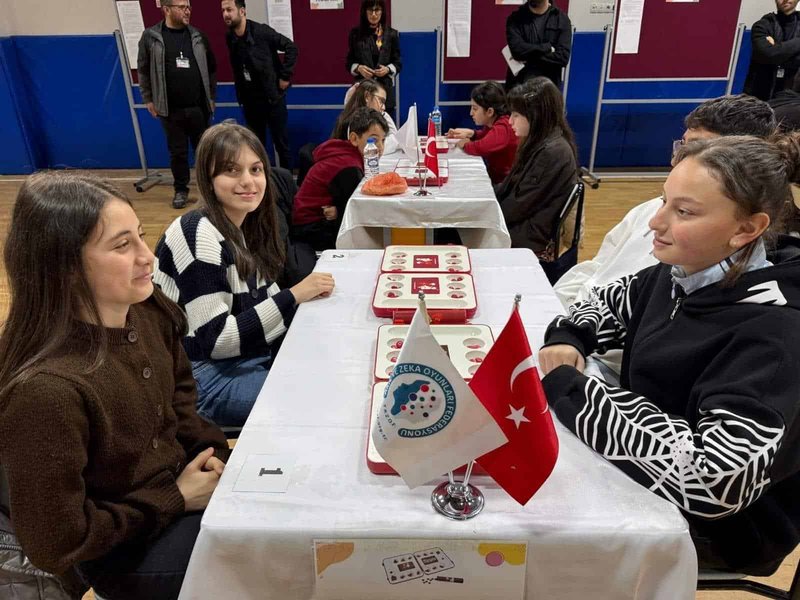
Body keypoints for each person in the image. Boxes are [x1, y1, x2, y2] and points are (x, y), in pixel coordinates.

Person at [539, 133, 800, 576]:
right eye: (664, 201)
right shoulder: (687, 268)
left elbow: (715, 481)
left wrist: (576, 394)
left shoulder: (775, 335)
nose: (655, 223)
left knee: (537, 533)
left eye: (684, 212)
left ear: (746, 229)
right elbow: (608, 302)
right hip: (654, 471)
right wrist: (570, 335)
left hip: (723, 529)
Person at [0, 172, 230, 600]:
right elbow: (56, 543)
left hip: (175, 494)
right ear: (66, 267)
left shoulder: (148, 310)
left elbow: (182, 408)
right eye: (123, 245)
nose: (148, 257)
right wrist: (174, 498)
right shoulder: (46, 392)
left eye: (141, 236)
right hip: (120, 551)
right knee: (263, 560)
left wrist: (218, 460)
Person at [553, 94, 779, 377]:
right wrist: (562, 323)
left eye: (699, 150)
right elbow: (599, 275)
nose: (679, 161)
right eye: (683, 146)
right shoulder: (664, 271)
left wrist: (571, 380)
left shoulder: (757, 324)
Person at [153, 123, 335, 428]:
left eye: (256, 169)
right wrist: (294, 295)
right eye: (231, 170)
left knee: (332, 364)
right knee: (316, 399)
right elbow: (216, 341)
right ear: (208, 178)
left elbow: (267, 303)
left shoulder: (240, 227)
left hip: (243, 356)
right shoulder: (196, 233)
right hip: (201, 377)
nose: (248, 181)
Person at [138, 1, 217, 209]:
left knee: (204, 151)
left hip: (198, 107)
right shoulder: (151, 37)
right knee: (178, 153)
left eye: (188, 6)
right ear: (166, 9)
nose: (187, 11)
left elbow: (211, 68)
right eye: (181, 7)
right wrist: (148, 99)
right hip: (170, 110)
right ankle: (181, 189)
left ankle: (209, 189)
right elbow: (143, 70)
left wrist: (211, 97)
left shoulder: (198, 36)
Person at [495, 76, 578, 258]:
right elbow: (512, 188)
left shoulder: (551, 152)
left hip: (531, 236)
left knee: (460, 232)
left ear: (536, 115)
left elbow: (519, 206)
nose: (510, 121)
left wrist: (484, 215)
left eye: (516, 115)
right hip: (527, 226)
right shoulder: (541, 142)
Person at [292, 107, 389, 251]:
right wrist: (339, 210)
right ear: (354, 139)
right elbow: (353, 214)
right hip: (310, 228)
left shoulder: (345, 152)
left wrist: (338, 210)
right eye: (373, 140)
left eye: (383, 140)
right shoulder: (348, 167)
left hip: (313, 220)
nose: (380, 147)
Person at [222, 0, 298, 169]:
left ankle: (286, 180)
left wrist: (285, 76)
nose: (226, 14)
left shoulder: (262, 32)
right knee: (255, 146)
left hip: (272, 99)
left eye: (229, 10)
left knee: (281, 144)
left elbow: (291, 47)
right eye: (223, 10)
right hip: (250, 101)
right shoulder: (230, 37)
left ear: (242, 11)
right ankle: (261, 180)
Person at [446, 81, 518, 184]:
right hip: (496, 178)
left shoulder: (503, 126)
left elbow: (482, 147)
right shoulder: (494, 122)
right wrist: (472, 134)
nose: (471, 113)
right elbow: (487, 136)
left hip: (505, 183)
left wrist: (465, 144)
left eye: (475, 109)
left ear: (490, 112)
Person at [347, 0, 401, 115]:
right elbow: (349, 61)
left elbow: (398, 62)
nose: (373, 14)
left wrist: (388, 69)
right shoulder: (355, 34)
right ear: (364, 12)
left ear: (382, 12)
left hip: (385, 93)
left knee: (384, 125)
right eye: (370, 10)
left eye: (377, 10)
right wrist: (358, 68)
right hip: (363, 92)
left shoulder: (391, 34)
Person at [505, 0, 572, 91]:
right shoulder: (515, 19)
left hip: (549, 90)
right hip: (518, 89)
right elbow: (517, 51)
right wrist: (547, 48)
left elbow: (563, 57)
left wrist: (527, 55)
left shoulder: (561, 20)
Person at [744, 0, 800, 102]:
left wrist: (778, 48)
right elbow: (769, 54)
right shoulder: (762, 25)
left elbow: (775, 54)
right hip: (760, 96)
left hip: (793, 99)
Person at [332, 80, 399, 154]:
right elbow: (392, 143)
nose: (383, 107)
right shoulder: (357, 121)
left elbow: (395, 138)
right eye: (381, 101)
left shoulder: (355, 115)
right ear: (367, 96)